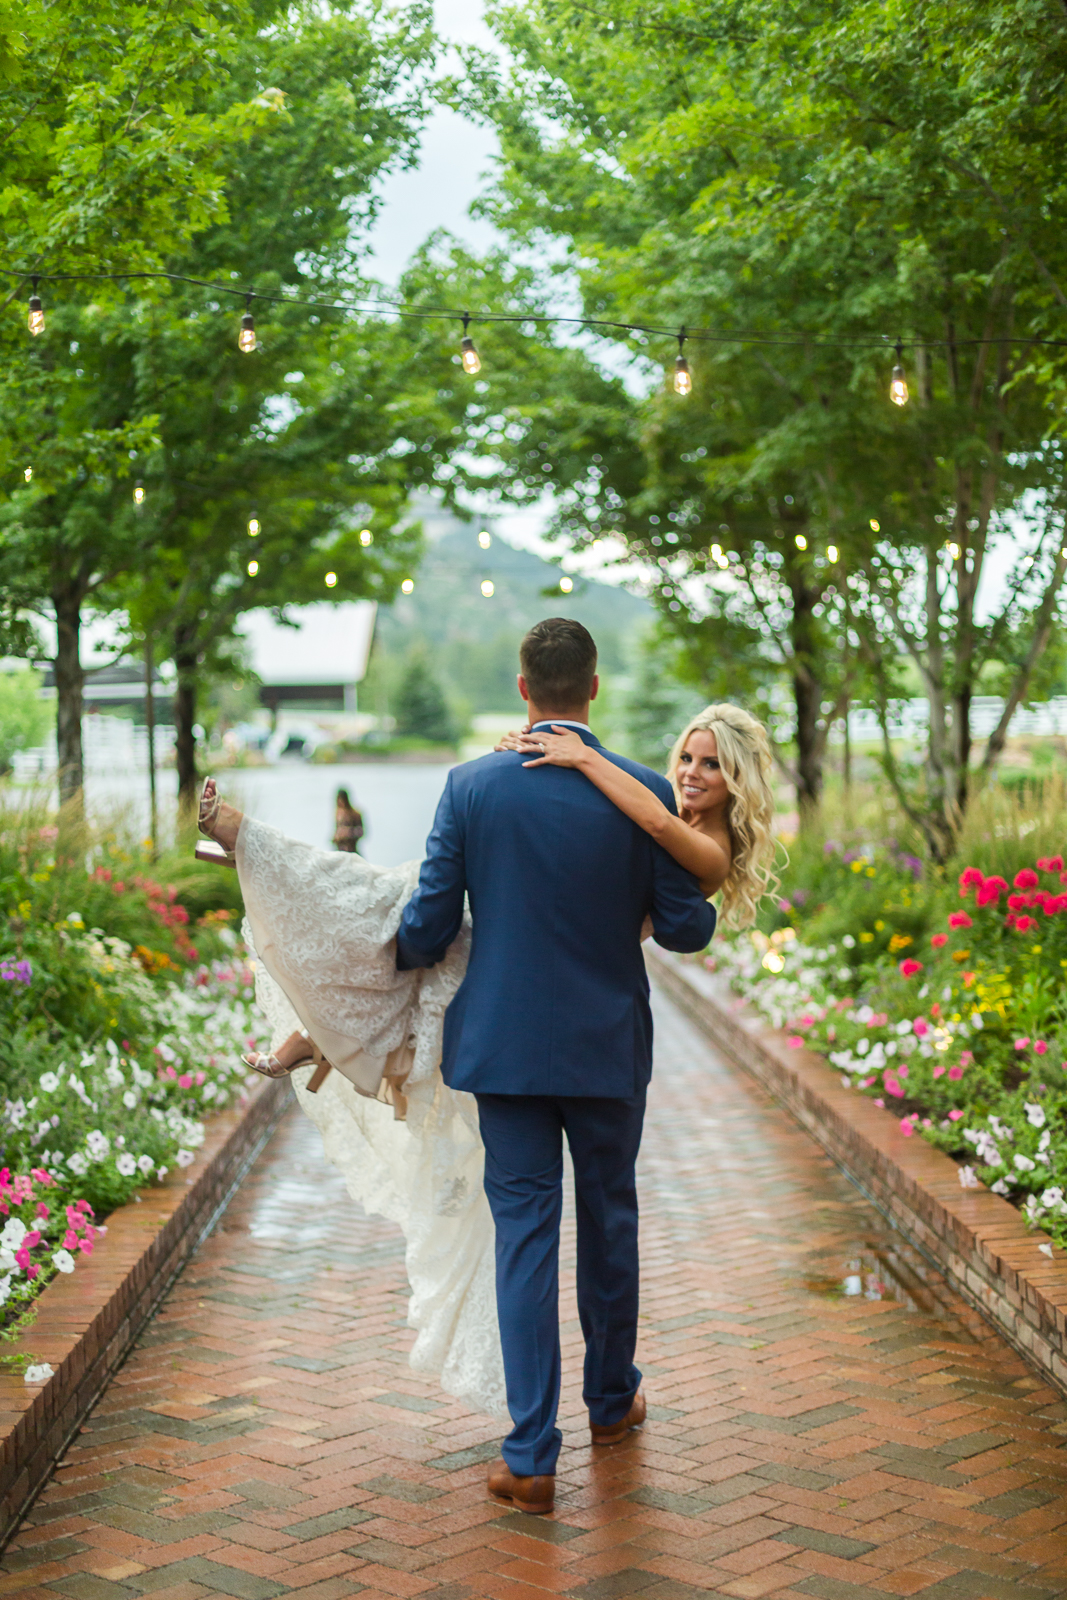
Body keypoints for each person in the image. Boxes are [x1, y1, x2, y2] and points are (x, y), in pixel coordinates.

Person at [195, 625, 778, 1489]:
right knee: (610, 1223)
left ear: (521, 688)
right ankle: (610, 1401)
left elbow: (428, 927)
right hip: (607, 1048)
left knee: (526, 1235)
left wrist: (389, 958)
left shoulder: (470, 786)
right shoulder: (642, 791)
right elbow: (687, 930)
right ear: (592, 688)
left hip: (504, 1049)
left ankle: (531, 1456)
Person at [333, 787, 364, 853]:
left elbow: (361, 831)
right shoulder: (338, 814)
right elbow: (337, 830)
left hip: (352, 849)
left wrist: (349, 832)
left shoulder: (355, 814)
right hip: (340, 849)